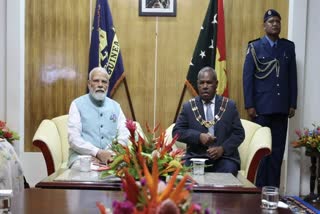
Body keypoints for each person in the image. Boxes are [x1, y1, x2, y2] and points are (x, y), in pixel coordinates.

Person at [243, 9, 297, 187]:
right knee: (262, 151)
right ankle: (258, 191)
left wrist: (292, 103)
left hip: (281, 108)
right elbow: (248, 78)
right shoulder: (255, 47)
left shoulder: (288, 47)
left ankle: (273, 191)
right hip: (261, 108)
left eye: (277, 21)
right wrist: (249, 104)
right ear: (264, 25)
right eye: (271, 21)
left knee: (277, 152)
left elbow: (292, 77)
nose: (275, 24)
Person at [173, 67, 245, 175]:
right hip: (196, 158)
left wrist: (223, 149)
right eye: (202, 83)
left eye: (209, 83)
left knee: (229, 171)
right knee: (184, 172)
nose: (205, 86)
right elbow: (177, 131)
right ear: (197, 84)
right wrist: (198, 137)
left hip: (224, 158)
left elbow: (239, 134)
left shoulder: (229, 106)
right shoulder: (189, 107)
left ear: (216, 84)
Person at [67, 67, 129, 167]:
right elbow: (73, 138)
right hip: (83, 157)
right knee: (86, 171)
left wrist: (108, 153)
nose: (100, 85)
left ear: (108, 85)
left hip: (111, 156)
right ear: (89, 84)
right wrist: (97, 152)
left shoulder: (116, 107)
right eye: (96, 81)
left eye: (104, 81)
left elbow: (124, 135)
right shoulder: (77, 104)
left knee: (125, 171)